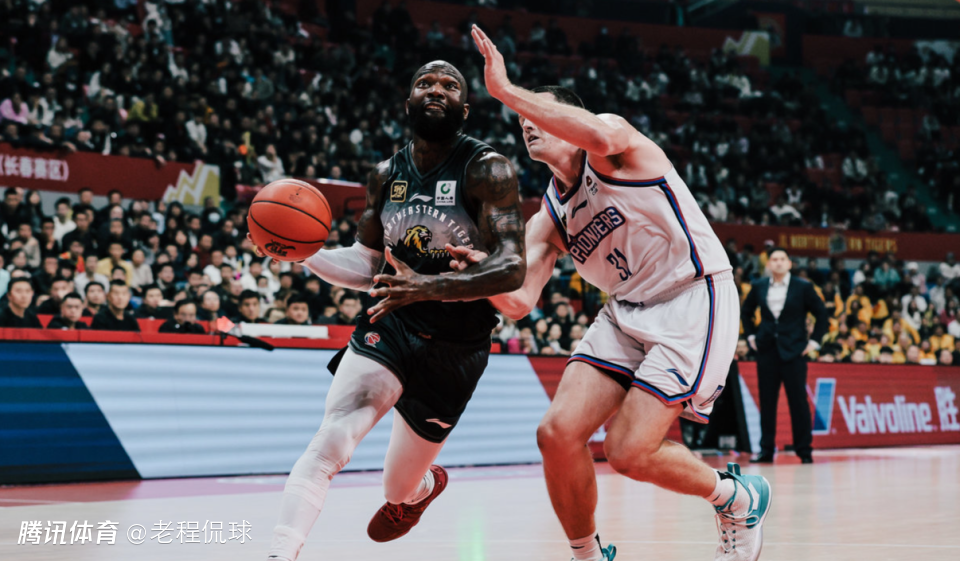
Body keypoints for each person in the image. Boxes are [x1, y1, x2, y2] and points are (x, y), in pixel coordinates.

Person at [445, 27, 765, 561]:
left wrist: (505, 91)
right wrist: (476, 277)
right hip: (626, 313)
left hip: (692, 298)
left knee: (627, 452)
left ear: (570, 119)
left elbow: (596, 131)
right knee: (556, 433)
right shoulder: (549, 215)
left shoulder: (616, 144)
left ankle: (737, 498)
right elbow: (520, 302)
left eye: (539, 115)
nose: (528, 124)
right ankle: (588, 556)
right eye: (521, 121)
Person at [262, 60, 525, 561]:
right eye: (424, 83)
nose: (436, 89)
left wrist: (427, 286)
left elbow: (512, 268)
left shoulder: (487, 169)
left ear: (464, 110)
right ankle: (281, 551)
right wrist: (303, 252)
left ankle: (421, 490)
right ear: (408, 104)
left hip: (457, 345)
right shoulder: (385, 175)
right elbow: (366, 266)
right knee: (331, 442)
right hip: (391, 322)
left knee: (397, 488)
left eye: (449, 85)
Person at [741, 248, 828, 464]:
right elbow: (746, 311)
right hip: (767, 351)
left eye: (782, 259)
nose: (778, 263)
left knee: (798, 402)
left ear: (789, 263)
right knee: (767, 403)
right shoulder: (759, 286)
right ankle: (766, 450)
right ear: (768, 264)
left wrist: (814, 342)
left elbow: (822, 314)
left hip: (794, 352)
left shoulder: (803, 287)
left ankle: (804, 450)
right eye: (774, 259)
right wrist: (751, 336)